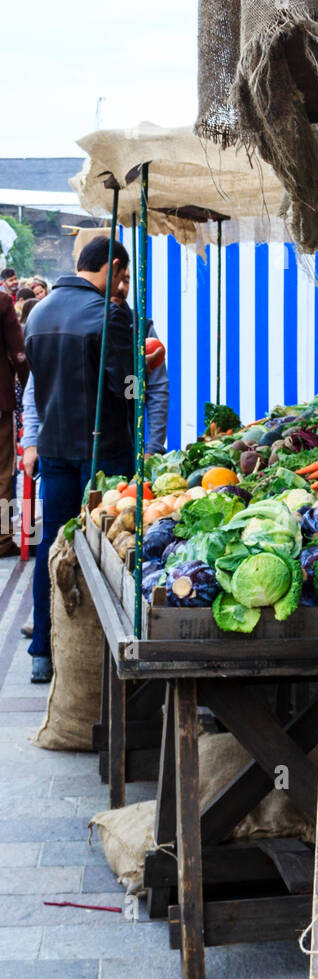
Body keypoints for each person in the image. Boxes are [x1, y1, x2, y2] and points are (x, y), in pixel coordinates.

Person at [23, 236, 134, 682]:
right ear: (108, 267)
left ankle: (42, 651)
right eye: (122, 275)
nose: (123, 285)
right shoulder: (109, 314)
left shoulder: (39, 312)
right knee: (110, 548)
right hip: (101, 450)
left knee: (52, 546)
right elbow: (126, 387)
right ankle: (105, 655)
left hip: (53, 448)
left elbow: (36, 385)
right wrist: (138, 388)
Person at [112, 266, 170, 453]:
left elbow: (156, 390)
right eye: (116, 279)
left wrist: (154, 446)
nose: (121, 287)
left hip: (128, 444)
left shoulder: (141, 328)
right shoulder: (84, 324)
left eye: (127, 280)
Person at [0, 279, 29, 557]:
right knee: (3, 474)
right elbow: (18, 352)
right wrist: (28, 385)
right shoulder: (2, 302)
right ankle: (2, 539)